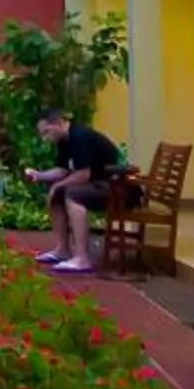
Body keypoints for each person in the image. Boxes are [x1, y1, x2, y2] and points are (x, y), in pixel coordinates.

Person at [23, 110, 122, 274]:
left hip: (118, 188)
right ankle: (62, 250)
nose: (45, 138)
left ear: (60, 123)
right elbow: (62, 170)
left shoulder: (80, 137)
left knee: (73, 195)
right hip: (100, 185)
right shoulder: (64, 140)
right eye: (42, 134)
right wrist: (39, 175)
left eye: (47, 132)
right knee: (58, 195)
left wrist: (58, 186)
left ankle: (82, 258)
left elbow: (83, 175)